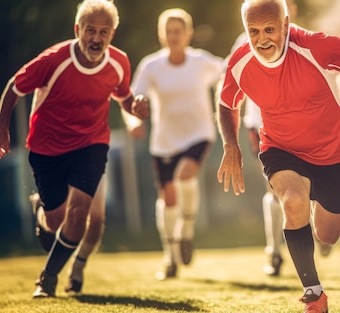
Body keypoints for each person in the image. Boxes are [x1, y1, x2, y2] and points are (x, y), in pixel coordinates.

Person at [216, 1, 340, 311]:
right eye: (253, 31)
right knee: (292, 202)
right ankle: (313, 293)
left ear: (285, 24)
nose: (262, 39)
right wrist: (231, 144)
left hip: (333, 154)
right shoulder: (240, 62)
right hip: (280, 149)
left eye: (269, 29)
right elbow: (227, 102)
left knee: (328, 234)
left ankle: (313, 224)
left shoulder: (316, 47)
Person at [0, 0, 149, 298]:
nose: (96, 39)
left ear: (113, 34)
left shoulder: (119, 62)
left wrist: (135, 106)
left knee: (79, 215)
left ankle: (47, 279)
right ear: (77, 30)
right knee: (55, 224)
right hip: (47, 147)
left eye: (104, 32)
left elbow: (123, 96)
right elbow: (14, 87)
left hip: (91, 144)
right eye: (90, 31)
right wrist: (0, 128)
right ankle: (41, 210)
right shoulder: (55, 60)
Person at [227, 0, 331, 278]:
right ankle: (274, 252)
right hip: (260, 125)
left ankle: (318, 230)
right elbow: (230, 85)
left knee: (306, 189)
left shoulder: (301, 41)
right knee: (274, 190)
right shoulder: (244, 40)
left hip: (302, 127)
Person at [123, 8, 224, 280]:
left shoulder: (201, 61)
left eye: (178, 31)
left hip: (199, 133)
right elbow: (132, 101)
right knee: (168, 199)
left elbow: (230, 72)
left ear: (188, 34)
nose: (173, 36)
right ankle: (170, 256)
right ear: (161, 35)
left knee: (185, 175)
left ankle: (186, 233)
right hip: (164, 141)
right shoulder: (151, 66)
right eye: (168, 31)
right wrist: (134, 122)